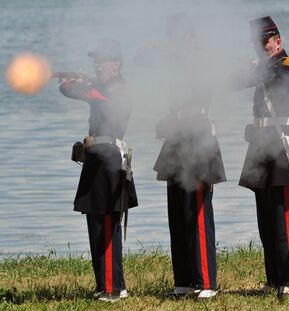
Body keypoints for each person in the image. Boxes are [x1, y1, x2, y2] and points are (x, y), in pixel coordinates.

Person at [137, 13, 225, 299]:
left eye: (181, 35)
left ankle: (206, 282)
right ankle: (185, 280)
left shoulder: (202, 60)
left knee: (198, 213)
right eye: (172, 36)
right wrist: (166, 53)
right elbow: (141, 58)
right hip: (176, 139)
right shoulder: (173, 61)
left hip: (198, 135)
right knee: (177, 212)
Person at [229, 16, 289, 296]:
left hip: (280, 148)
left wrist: (259, 68)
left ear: (278, 41)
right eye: (257, 43)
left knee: (284, 218)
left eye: (265, 42)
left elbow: (277, 81)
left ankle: (288, 281)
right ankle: (272, 279)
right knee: (266, 218)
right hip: (259, 146)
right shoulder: (263, 69)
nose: (260, 47)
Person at [58, 39, 138, 302]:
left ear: (115, 64)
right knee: (97, 225)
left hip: (109, 161)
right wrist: (77, 80)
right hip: (98, 159)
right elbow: (67, 90)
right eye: (96, 61)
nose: (97, 64)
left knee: (105, 226)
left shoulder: (119, 88)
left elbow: (100, 99)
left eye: (102, 60)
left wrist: (86, 84)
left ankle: (113, 288)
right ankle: (109, 284)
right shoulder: (103, 86)